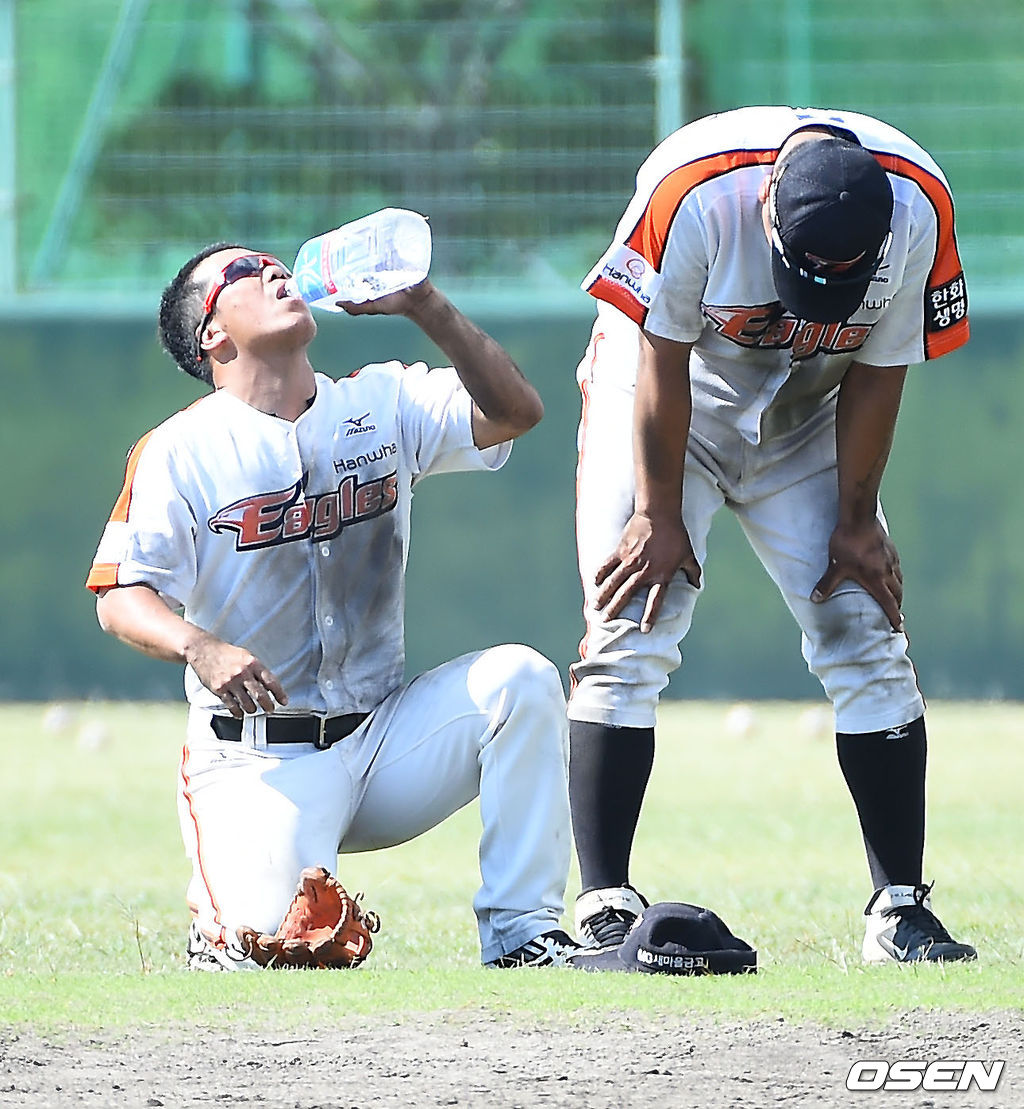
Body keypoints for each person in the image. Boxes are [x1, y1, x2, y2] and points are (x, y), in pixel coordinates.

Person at [86, 242, 579, 970]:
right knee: (266, 953)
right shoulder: (179, 450)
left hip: (384, 740)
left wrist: (425, 304)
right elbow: (120, 596)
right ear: (211, 333)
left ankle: (522, 935)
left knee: (522, 680)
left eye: (273, 261)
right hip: (260, 757)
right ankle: (221, 919)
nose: (273, 270)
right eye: (244, 271)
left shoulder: (380, 401)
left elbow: (515, 412)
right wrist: (200, 645)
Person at [567, 105, 976, 964]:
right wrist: (658, 511)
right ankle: (605, 904)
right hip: (668, 389)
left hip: (814, 404)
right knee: (630, 621)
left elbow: (880, 372)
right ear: (766, 210)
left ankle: (900, 911)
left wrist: (858, 522)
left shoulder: (917, 205)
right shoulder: (696, 189)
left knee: (864, 626)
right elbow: (660, 354)